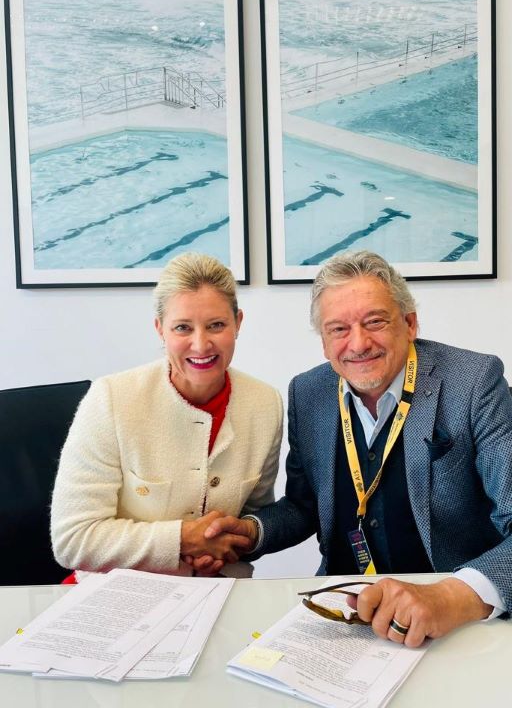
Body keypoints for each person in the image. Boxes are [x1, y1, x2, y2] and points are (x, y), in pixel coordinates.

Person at [198, 250, 512, 645]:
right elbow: (303, 505)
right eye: (338, 329)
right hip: (343, 614)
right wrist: (249, 532)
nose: (359, 344)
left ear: (410, 323)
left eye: (375, 322)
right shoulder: (308, 392)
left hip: (451, 622)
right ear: (324, 342)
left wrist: (452, 595)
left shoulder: (474, 383)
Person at [51, 253, 283, 578]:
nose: (201, 344)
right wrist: (185, 540)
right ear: (160, 329)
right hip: (112, 595)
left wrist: (228, 543)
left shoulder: (264, 403)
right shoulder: (110, 400)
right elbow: (72, 540)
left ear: (238, 323)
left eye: (216, 325)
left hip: (216, 590)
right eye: (182, 328)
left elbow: (254, 515)